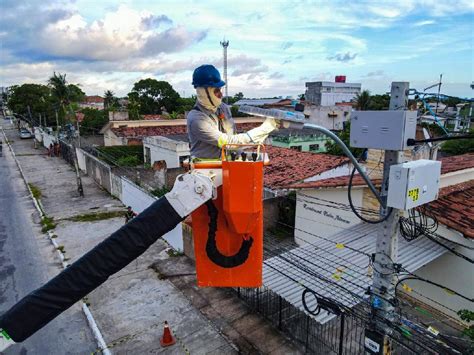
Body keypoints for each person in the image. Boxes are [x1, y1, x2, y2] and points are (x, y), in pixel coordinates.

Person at [187, 64, 279, 159]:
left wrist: (242, 156)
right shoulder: (197, 120)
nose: (221, 94)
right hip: (206, 168)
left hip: (228, 162)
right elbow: (228, 143)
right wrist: (265, 128)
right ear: (204, 92)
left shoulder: (223, 108)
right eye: (216, 91)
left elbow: (233, 137)